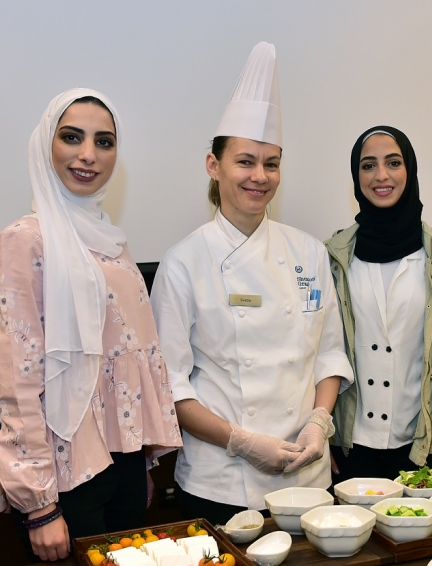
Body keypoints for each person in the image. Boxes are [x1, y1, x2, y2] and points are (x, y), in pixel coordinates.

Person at [150, 42, 353, 525]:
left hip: (308, 476)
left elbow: (328, 354)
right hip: (220, 481)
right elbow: (170, 386)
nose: (260, 177)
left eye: (271, 163)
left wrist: (319, 423)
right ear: (213, 165)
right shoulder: (183, 263)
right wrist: (242, 441)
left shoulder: (309, 252)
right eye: (245, 161)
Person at [0, 89, 183, 562]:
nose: (89, 154)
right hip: (64, 478)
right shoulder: (23, 241)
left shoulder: (112, 241)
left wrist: (139, 465)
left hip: (123, 464)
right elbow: (19, 378)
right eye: (72, 137)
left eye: (104, 141)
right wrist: (39, 504)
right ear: (45, 145)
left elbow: (131, 358)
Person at [325, 126, 432, 484]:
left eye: (393, 163)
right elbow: (321, 353)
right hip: (349, 446)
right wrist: (321, 434)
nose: (381, 175)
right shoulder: (333, 255)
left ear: (410, 170)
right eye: (368, 165)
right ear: (356, 177)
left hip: (423, 444)